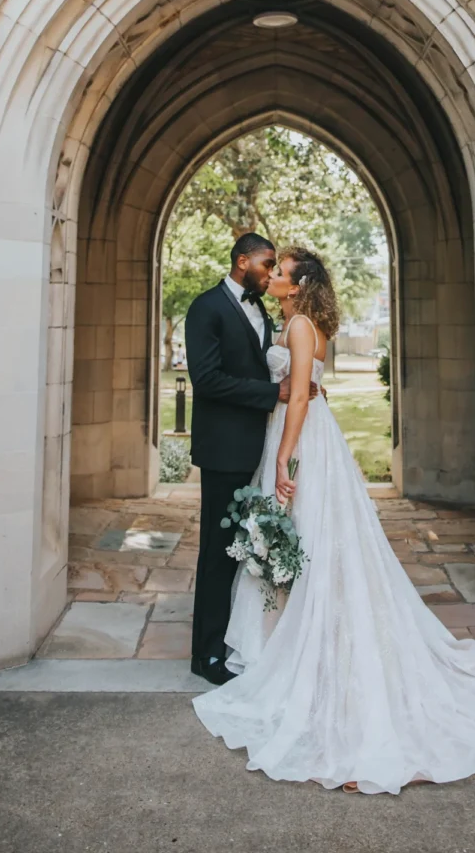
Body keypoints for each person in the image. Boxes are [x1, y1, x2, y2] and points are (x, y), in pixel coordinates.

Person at [193, 247, 475, 794]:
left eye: (280, 271)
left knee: (306, 537)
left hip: (299, 438)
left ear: (297, 286)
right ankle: (285, 640)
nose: (272, 276)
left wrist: (283, 458)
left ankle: (307, 648)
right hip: (300, 434)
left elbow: (298, 396)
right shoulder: (302, 322)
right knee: (304, 540)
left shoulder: (299, 326)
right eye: (270, 268)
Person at [185, 232, 318, 687]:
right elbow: (206, 379)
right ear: (243, 262)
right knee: (217, 553)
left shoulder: (261, 309)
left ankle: (242, 638)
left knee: (246, 550)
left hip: (259, 446)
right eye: (266, 265)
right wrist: (272, 392)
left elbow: (270, 364)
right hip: (223, 449)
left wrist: (298, 384)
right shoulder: (206, 307)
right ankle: (206, 656)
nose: (269, 273)